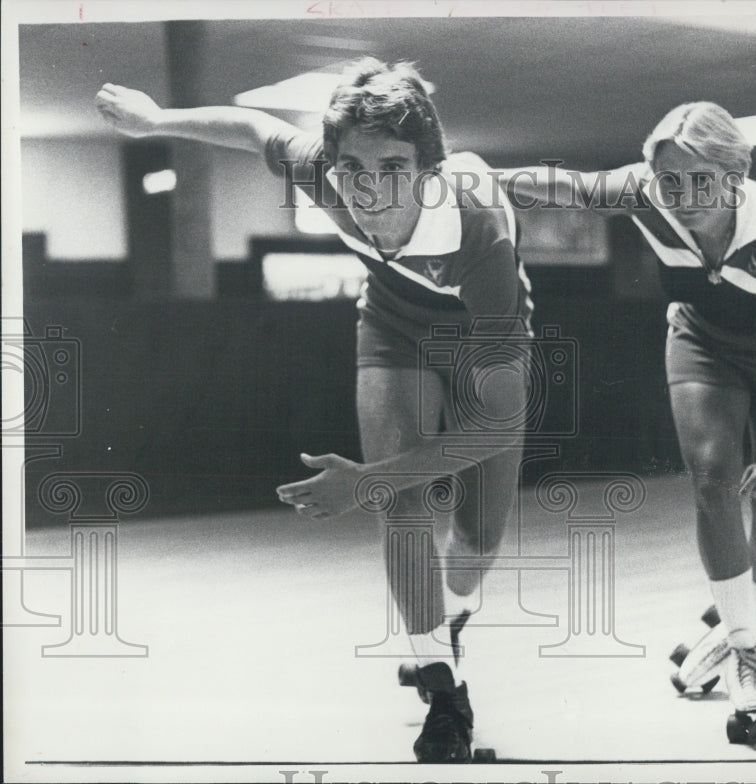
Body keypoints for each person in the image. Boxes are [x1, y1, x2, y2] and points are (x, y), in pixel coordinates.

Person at [96, 57, 533, 762]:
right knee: (403, 499)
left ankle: (453, 614)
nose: (368, 189)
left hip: (480, 337)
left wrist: (360, 480)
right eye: (352, 168)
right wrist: (155, 122)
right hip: (392, 324)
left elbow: (501, 424)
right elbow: (250, 126)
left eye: (392, 166)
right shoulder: (322, 172)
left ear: (428, 167)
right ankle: (446, 691)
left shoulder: (477, 228)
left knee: (478, 534)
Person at [501, 102, 756, 717]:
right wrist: (475, 178)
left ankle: (737, 620)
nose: (681, 196)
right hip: (704, 344)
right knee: (713, 477)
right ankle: (748, 650)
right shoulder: (645, 193)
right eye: (667, 181)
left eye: (699, 182)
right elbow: (568, 187)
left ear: (734, 179)